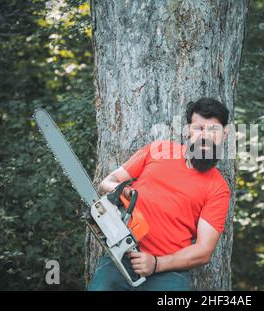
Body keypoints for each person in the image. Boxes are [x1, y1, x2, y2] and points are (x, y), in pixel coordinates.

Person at [87, 97, 231, 291]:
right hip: (121, 255)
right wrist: (124, 191)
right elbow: (107, 182)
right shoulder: (159, 150)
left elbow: (204, 251)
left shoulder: (218, 188)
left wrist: (156, 264)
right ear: (188, 130)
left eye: (213, 130)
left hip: (168, 272)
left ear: (225, 134)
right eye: (198, 128)